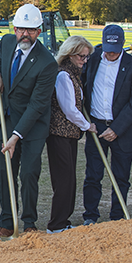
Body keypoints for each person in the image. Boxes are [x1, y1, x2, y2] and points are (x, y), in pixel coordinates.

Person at [0, 3, 59, 237]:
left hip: (31, 127)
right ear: (14, 28)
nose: (24, 34)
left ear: (39, 31)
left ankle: (29, 222)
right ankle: (7, 222)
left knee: (28, 173)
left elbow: (37, 105)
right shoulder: (8, 41)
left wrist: (16, 137)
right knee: (4, 171)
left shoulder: (47, 63)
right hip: (6, 120)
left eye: (30, 30)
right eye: (21, 29)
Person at [80, 24, 132, 224]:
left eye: (115, 51)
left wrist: (116, 129)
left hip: (122, 130)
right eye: (107, 49)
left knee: (121, 178)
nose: (110, 54)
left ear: (123, 45)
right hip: (96, 127)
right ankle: (90, 216)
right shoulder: (92, 60)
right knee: (93, 175)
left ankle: (117, 216)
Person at [46, 35, 93, 231]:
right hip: (60, 135)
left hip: (69, 135)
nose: (84, 60)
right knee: (64, 180)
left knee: (69, 179)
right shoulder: (64, 75)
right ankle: (56, 224)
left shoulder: (73, 75)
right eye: (81, 56)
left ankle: (63, 221)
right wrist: (87, 126)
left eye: (86, 57)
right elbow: (70, 109)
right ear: (70, 54)